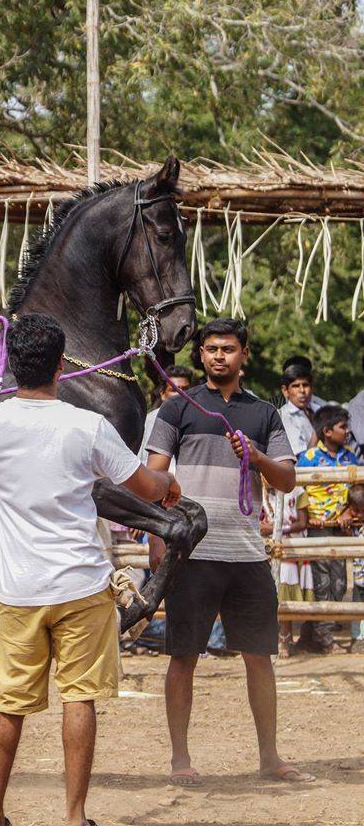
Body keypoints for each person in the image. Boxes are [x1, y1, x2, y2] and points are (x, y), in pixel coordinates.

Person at [0, 312, 180, 826]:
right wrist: (169, 483)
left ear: (11, 365)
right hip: (82, 586)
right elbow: (143, 485)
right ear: (62, 367)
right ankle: (73, 824)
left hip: (18, 590)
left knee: (9, 704)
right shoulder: (85, 425)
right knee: (80, 699)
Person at [146, 317, 313, 786]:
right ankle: (180, 760)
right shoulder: (177, 409)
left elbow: (286, 479)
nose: (220, 356)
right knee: (184, 656)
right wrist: (159, 537)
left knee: (259, 656)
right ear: (200, 355)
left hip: (246, 555)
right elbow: (153, 477)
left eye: (229, 349)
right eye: (212, 349)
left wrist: (255, 458)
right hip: (192, 554)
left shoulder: (264, 413)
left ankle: (270, 757)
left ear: (244, 355)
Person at [296, 405, 357, 654]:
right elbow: (297, 491)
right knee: (322, 584)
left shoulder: (350, 458)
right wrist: (307, 516)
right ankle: (326, 640)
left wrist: (349, 511)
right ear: (327, 431)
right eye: (342, 427)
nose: (347, 431)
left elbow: (357, 490)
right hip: (317, 528)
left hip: (341, 528)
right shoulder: (308, 458)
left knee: (340, 583)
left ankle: (311, 636)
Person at [260, 484, 313, 658]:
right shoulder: (262, 493)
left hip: (290, 548)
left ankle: (284, 639)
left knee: (284, 595)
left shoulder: (298, 492)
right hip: (265, 547)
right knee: (267, 596)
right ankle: (268, 639)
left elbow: (302, 523)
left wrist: (276, 529)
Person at [340, 484, 364, 652]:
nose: (360, 515)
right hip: (359, 576)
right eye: (356, 511)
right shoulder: (353, 524)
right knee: (357, 607)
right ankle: (357, 639)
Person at [279, 365, 317, 456]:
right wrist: (319, 431)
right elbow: (302, 459)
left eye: (305, 385)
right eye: (296, 386)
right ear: (285, 391)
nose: (302, 390)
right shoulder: (285, 416)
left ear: (312, 388)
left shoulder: (318, 410)